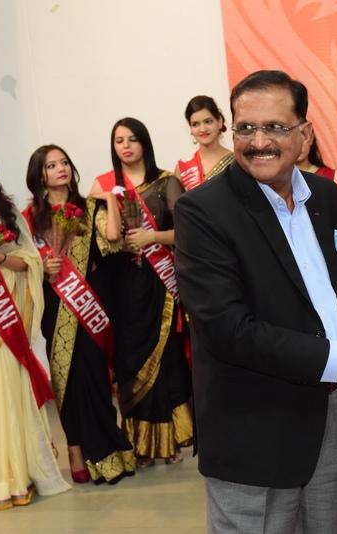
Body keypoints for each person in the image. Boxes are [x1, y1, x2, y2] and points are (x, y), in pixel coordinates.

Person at [174, 70, 337, 534]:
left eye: (275, 127)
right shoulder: (203, 212)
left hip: (331, 414)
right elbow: (228, 330)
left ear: (305, 133)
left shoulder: (321, 195)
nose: (259, 142)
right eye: (246, 128)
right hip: (254, 432)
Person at [23, 144, 135, 484]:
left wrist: (110, 199)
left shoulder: (87, 207)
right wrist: (42, 266)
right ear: (39, 175)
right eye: (51, 165)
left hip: (90, 302)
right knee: (66, 379)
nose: (61, 169)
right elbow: (22, 262)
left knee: (96, 377)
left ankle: (107, 451)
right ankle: (74, 449)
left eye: (64, 162)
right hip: (55, 303)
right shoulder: (30, 217)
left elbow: (112, 239)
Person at [90, 117, 193, 467]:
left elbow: (187, 232)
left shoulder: (166, 182)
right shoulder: (103, 186)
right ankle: (140, 445)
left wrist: (153, 237)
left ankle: (169, 441)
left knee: (166, 360)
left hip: (159, 285)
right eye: (119, 140)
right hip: (120, 288)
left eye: (132, 139)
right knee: (129, 362)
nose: (126, 146)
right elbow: (95, 241)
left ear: (145, 143)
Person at [0, 141, 70, 510]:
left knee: (5, 389)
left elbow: (28, 261)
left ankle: (11, 476)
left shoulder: (4, 212)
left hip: (3, 315)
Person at [175, 95, 235, 191]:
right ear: (190, 128)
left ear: (219, 122)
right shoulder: (183, 167)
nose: (202, 129)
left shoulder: (235, 162)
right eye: (195, 124)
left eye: (208, 122)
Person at [296, 130, 337, 200]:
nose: (298, 145)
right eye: (292, 140)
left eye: (302, 139)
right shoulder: (281, 180)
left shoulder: (334, 178)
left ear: (311, 138)